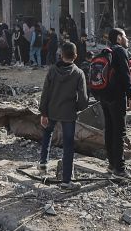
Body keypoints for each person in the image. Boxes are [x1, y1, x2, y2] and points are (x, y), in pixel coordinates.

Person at [38, 41, 88, 189]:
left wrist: (44, 112)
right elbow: (84, 99)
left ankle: (43, 162)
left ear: (60, 55)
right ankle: (67, 180)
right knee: (68, 146)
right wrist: (76, 107)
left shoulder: (52, 71)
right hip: (69, 114)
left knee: (47, 133)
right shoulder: (79, 73)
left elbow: (45, 92)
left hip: (52, 110)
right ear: (76, 56)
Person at [98, 28, 131, 177]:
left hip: (104, 96)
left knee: (110, 130)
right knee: (119, 132)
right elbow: (126, 75)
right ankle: (120, 169)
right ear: (119, 38)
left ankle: (112, 165)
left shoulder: (105, 52)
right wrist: (130, 96)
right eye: (125, 36)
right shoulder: (120, 51)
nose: (128, 39)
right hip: (117, 97)